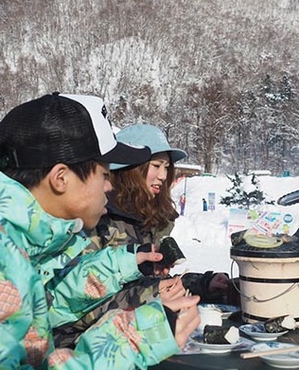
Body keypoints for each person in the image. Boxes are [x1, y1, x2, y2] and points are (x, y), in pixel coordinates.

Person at [0, 93, 200, 370]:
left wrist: (124, 265)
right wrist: (128, 343)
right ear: (60, 178)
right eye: (103, 174)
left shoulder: (1, 236)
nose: (109, 185)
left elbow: (40, 306)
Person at [54, 124, 228, 349]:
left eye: (167, 167)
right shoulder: (95, 220)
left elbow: (147, 284)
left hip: (134, 342)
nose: (164, 176)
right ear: (130, 169)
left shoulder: (146, 219)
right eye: (156, 165)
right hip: (83, 353)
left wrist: (202, 283)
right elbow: (76, 304)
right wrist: (153, 296)